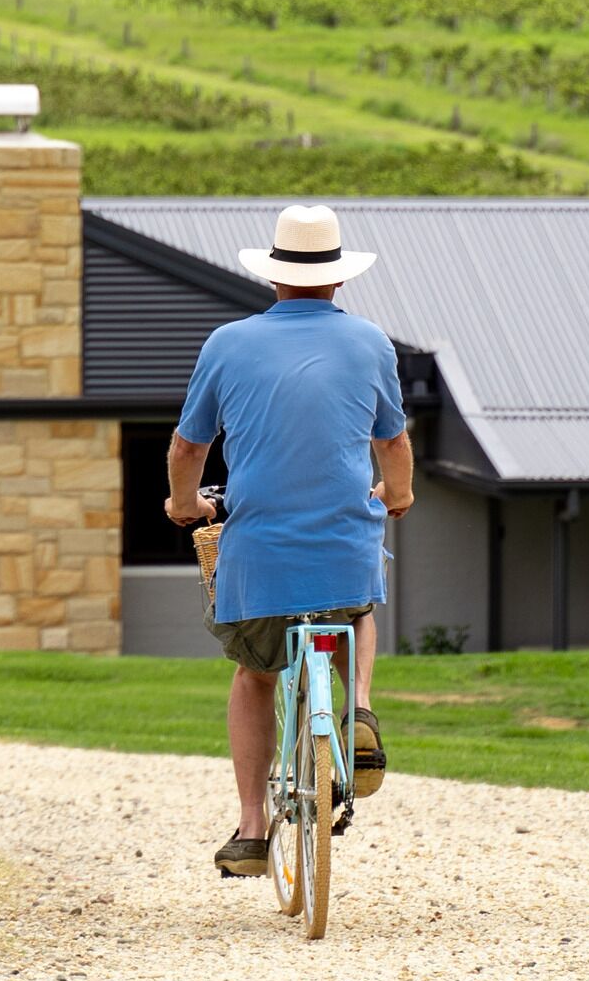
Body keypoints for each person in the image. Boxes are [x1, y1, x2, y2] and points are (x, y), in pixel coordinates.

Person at [165, 201, 413, 879]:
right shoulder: (370, 343)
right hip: (341, 548)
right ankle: (358, 708)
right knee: (359, 608)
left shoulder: (229, 343)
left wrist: (184, 504)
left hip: (261, 556)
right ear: (339, 280)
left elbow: (190, 447)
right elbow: (391, 441)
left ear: (273, 278)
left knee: (253, 675)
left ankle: (250, 830)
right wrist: (399, 496)